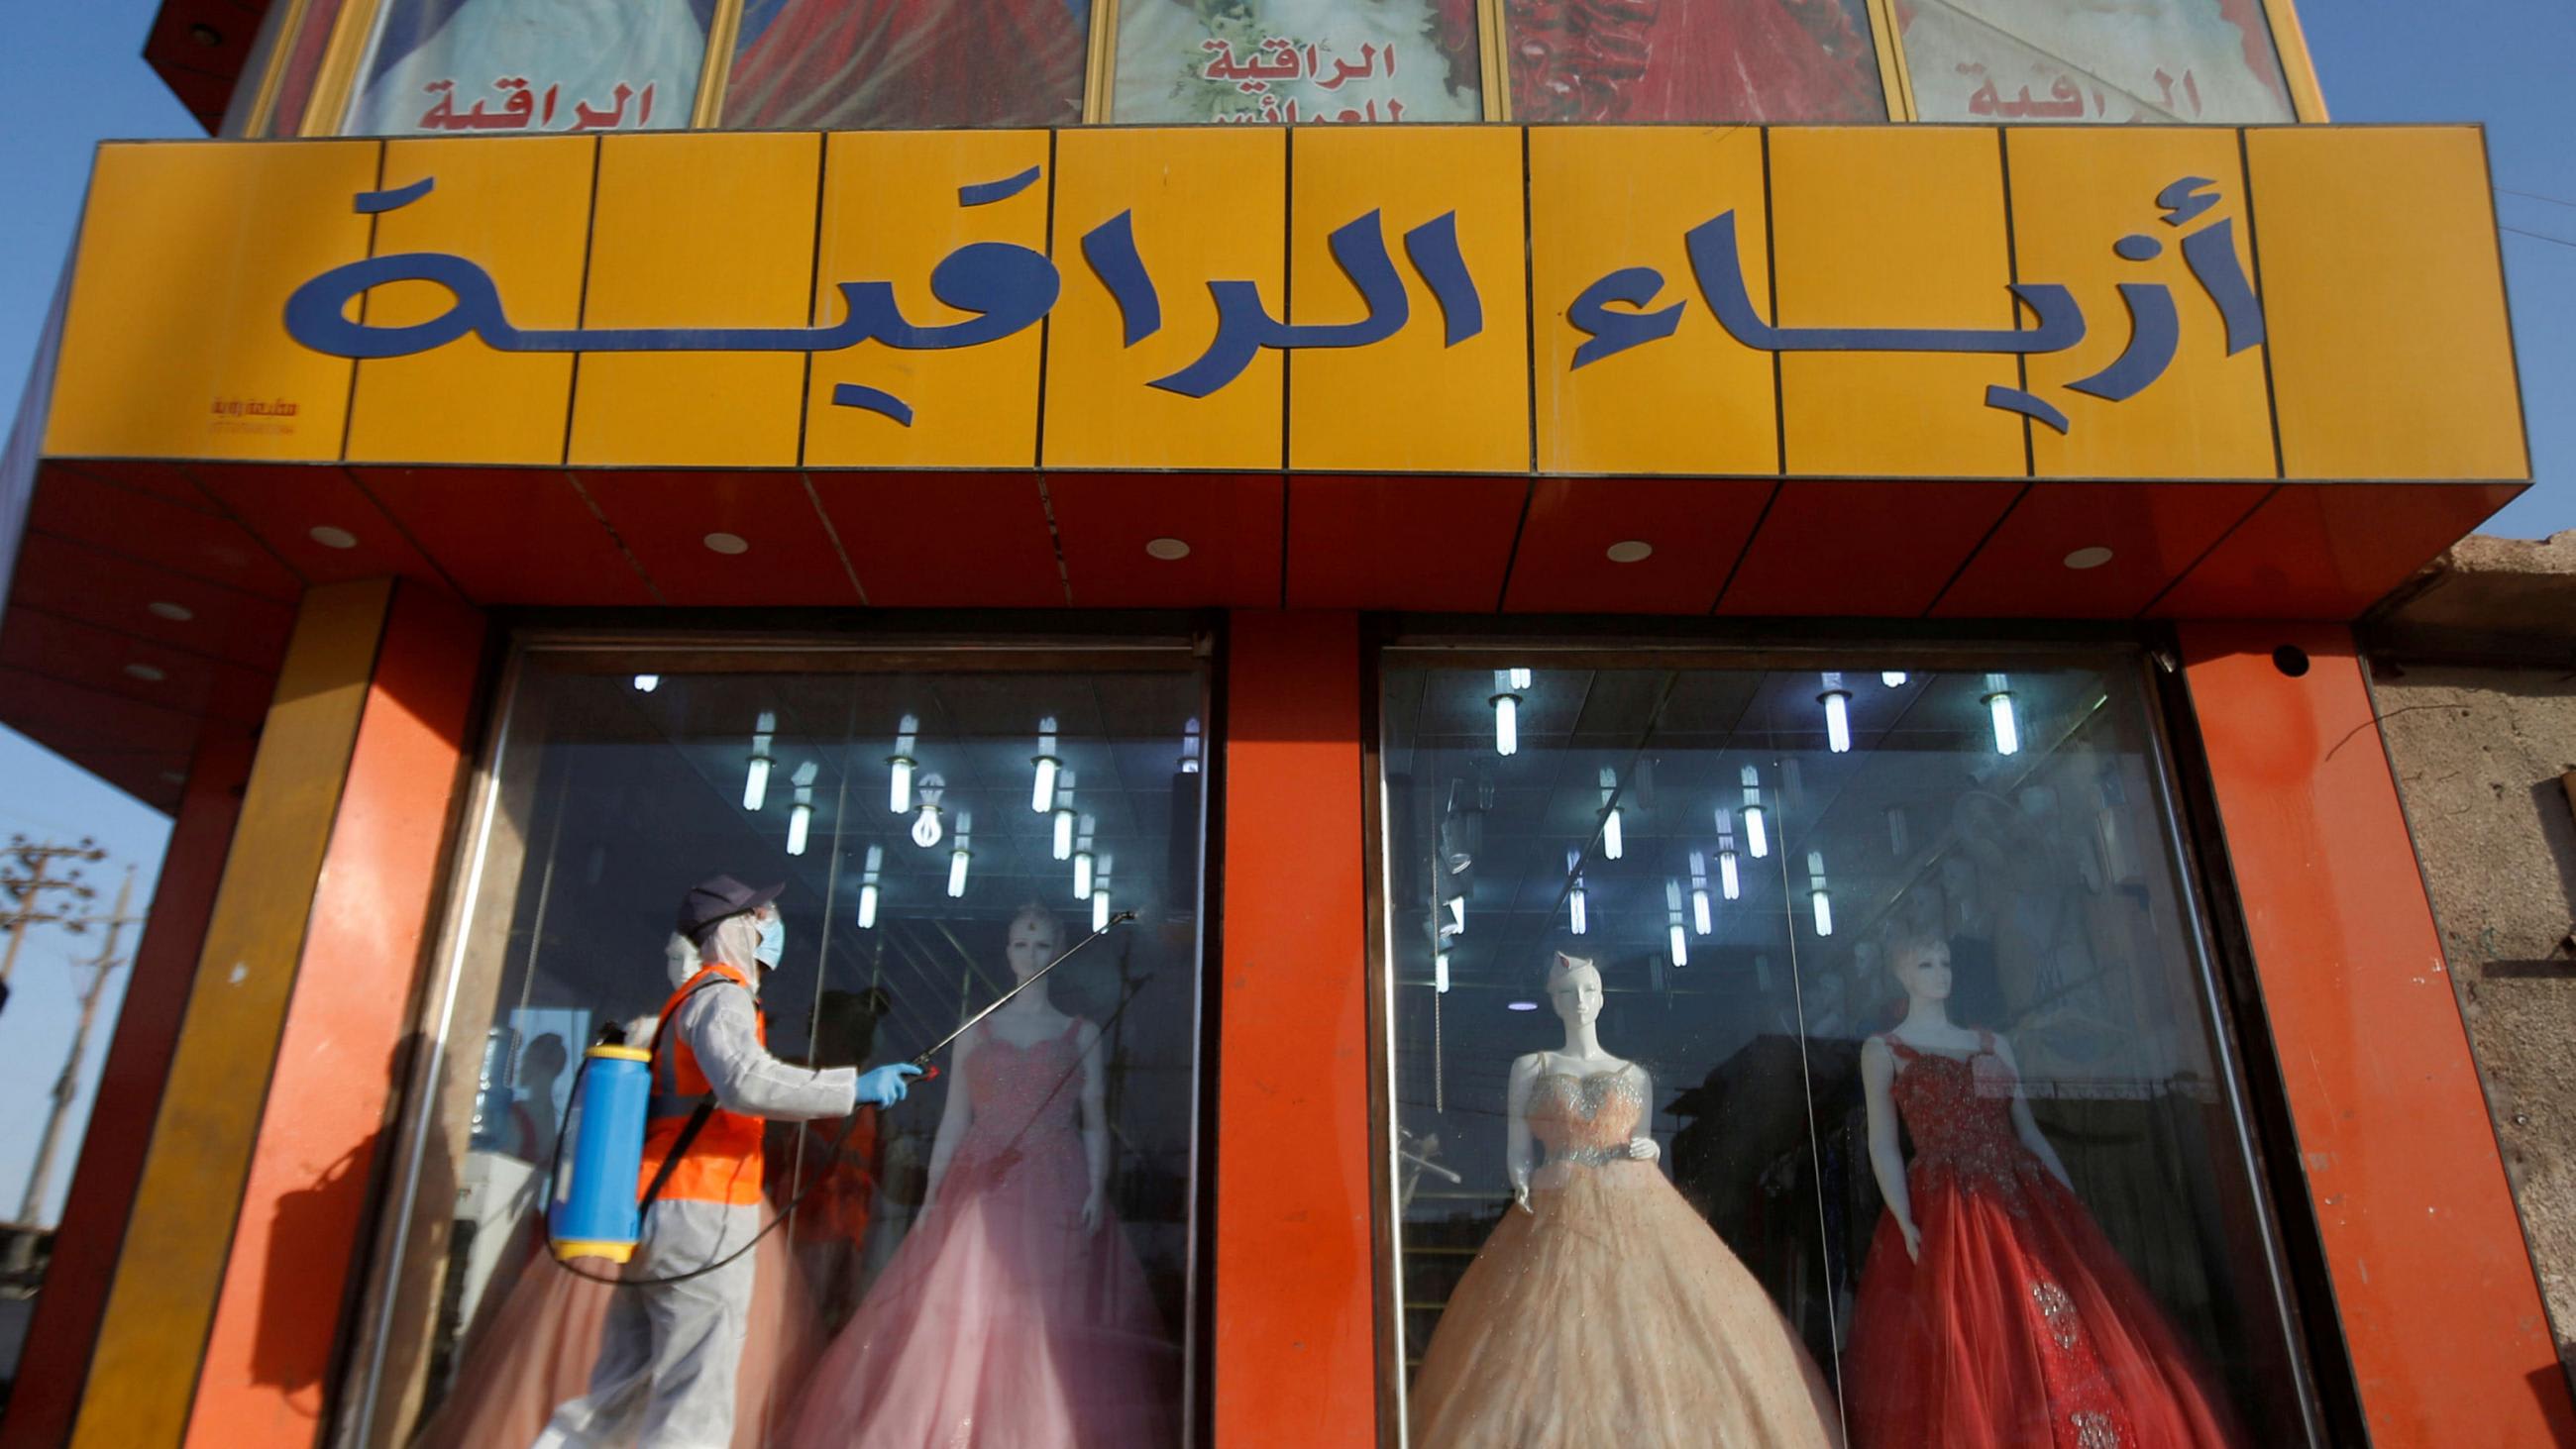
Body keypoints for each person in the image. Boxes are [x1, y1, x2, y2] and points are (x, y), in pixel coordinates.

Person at [532, 875, 921, 1449]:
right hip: (705, 1210)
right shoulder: (723, 994)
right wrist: (852, 1090)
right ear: (734, 927)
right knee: (696, 1393)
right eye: (762, 914)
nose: (771, 925)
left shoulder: (682, 1002)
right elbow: (744, 1082)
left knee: (621, 1391)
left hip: (660, 1203)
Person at [1408, 950, 1842, 1448]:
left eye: (1590, 990)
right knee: (1553, 1331)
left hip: (1634, 1200)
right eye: (1568, 993)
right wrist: (1523, 1182)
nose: (1580, 1001)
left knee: (1653, 1322)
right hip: (1561, 1207)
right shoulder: (1532, 1066)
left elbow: (1646, 1143)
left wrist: (1651, 1147)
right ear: (1552, 1001)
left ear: (1603, 998)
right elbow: (1517, 1149)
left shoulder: (1634, 1074)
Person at [780, 903, 1175, 1448]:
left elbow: (1095, 1122)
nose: (1029, 956)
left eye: (1039, 946)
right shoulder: (975, 1029)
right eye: (1019, 945)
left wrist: (1095, 1186)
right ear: (1006, 951)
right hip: (981, 1181)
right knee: (959, 1310)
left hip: (1056, 1183)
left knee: (1039, 1314)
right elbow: (951, 1122)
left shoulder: (1080, 1032)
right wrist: (932, 1198)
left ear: (1057, 951)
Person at [1846, 931, 2239, 1447]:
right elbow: (1883, 1143)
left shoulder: (1992, 1044)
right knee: (1979, 1334)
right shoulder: (1883, 1050)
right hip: (1950, 1203)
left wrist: (2069, 1198)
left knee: (2065, 1319)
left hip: (2022, 1191)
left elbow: (2028, 1131)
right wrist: (1901, 1216)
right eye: (1926, 965)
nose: (1941, 973)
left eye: (1945, 963)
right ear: (1901, 974)